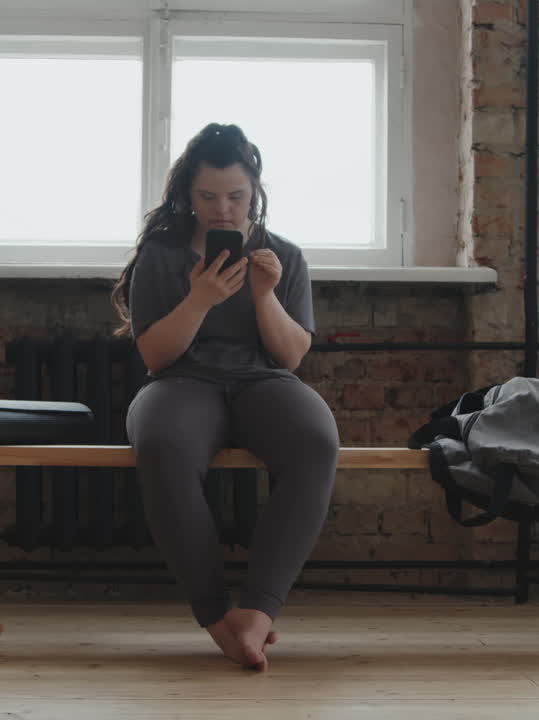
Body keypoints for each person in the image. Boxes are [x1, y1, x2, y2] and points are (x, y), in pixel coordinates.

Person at [111, 123, 340, 671]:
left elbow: (289, 357)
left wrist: (264, 297)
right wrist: (200, 299)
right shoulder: (160, 256)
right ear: (187, 196)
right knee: (163, 443)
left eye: (235, 197)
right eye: (208, 197)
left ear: (254, 192)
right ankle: (217, 618)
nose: (222, 211)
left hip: (263, 380)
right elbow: (155, 357)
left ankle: (256, 617)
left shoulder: (284, 257)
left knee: (315, 440)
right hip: (180, 381)